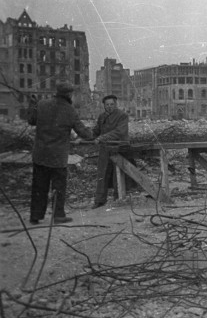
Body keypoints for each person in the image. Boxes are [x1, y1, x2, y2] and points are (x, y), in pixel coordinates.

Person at [27, 82, 94, 224]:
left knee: (39, 187)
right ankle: (58, 215)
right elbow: (84, 133)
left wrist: (32, 105)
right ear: (70, 95)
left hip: (40, 155)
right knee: (58, 187)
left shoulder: (42, 104)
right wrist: (93, 133)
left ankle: (35, 216)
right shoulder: (70, 110)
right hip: (58, 157)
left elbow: (31, 121)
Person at [92, 95, 131, 209]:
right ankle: (99, 200)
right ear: (104, 105)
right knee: (102, 173)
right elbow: (96, 131)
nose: (109, 107)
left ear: (116, 104)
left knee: (117, 173)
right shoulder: (102, 116)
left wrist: (102, 138)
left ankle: (118, 198)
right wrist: (84, 137)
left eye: (111, 104)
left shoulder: (122, 116)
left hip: (119, 147)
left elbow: (119, 131)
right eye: (107, 105)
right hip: (105, 149)